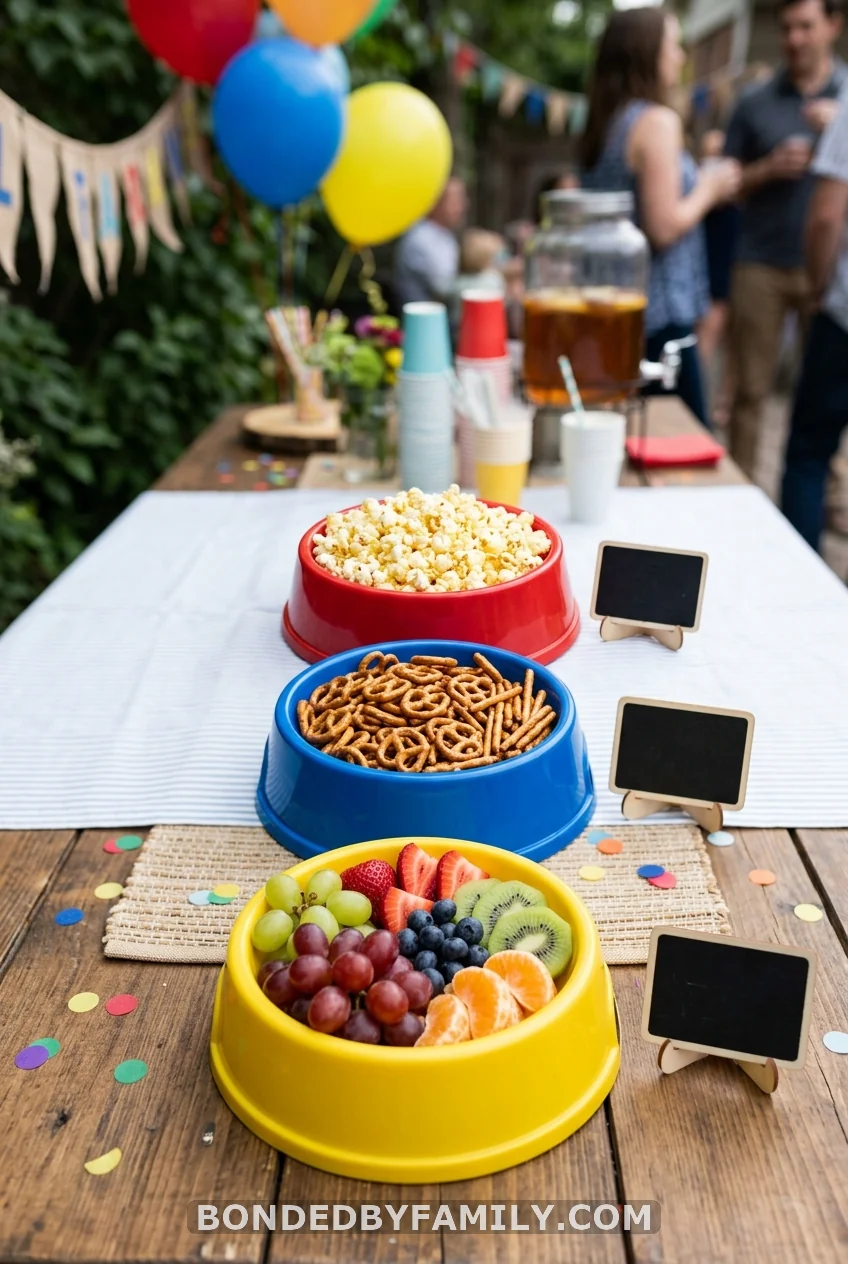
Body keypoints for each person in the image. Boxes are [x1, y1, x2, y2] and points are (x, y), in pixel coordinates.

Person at [580, 6, 740, 424]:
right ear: (647, 53)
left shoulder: (607, 122)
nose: (682, 58)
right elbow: (664, 226)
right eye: (674, 46)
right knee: (678, 449)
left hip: (613, 311)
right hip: (660, 317)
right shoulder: (656, 123)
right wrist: (709, 187)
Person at [724, 0, 846, 478]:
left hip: (834, 271)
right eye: (788, 28)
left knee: (825, 397)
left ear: (833, 26)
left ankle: (828, 496)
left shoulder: (847, 97)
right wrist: (767, 168)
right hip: (762, 262)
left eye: (807, 26)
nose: (795, 38)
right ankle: (740, 490)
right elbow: (727, 181)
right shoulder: (755, 100)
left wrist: (841, 126)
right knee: (751, 391)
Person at [781, 94, 848, 552]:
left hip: (843, 317)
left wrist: (818, 286)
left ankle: (797, 590)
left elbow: (825, 216)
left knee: (808, 454)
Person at [699, 129, 742, 424]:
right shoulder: (705, 184)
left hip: (736, 261)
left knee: (734, 344)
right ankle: (699, 399)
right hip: (714, 264)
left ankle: (722, 404)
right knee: (709, 335)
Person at [393, 177, 468, 309]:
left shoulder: (445, 235)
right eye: (456, 201)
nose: (464, 206)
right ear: (435, 203)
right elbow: (442, 289)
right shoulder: (419, 238)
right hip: (423, 324)